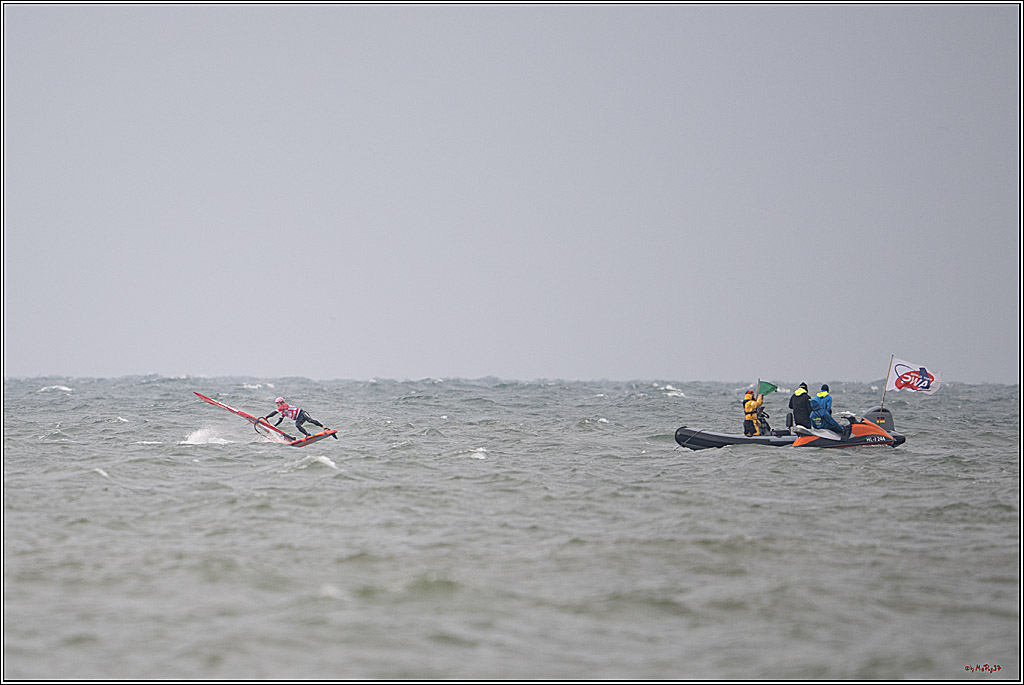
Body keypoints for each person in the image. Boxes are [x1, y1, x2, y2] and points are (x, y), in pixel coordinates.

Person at [263, 397, 338, 439]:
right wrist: (274, 426)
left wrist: (266, 417)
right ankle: (307, 435)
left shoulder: (284, 405)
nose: (277, 405)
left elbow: (274, 413)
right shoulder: (283, 412)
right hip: (298, 418)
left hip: (302, 413)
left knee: (310, 420)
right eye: (276, 403)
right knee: (297, 425)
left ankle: (325, 428)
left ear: (281, 402)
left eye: (278, 403)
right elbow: (280, 420)